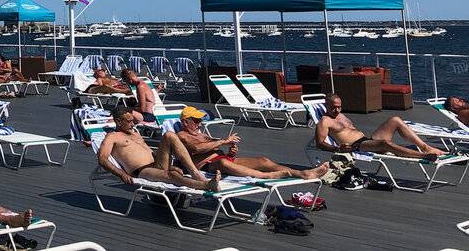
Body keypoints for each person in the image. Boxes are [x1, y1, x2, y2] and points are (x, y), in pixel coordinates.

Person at [177, 106, 327, 179]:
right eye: (196, 121)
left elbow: (212, 147)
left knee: (263, 160)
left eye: (200, 120)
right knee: (223, 164)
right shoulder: (181, 136)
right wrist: (223, 141)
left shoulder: (200, 134)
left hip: (223, 159)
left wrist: (230, 151)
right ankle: (264, 176)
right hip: (208, 166)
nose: (200, 123)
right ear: (185, 122)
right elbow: (197, 149)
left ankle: (303, 173)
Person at [97, 106, 220, 191]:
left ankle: (194, 173)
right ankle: (207, 185)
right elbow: (102, 159)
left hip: (156, 163)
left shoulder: (134, 132)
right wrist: (121, 174)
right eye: (129, 121)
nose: (133, 124)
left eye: (133, 121)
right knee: (172, 175)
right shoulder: (112, 137)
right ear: (118, 122)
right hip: (142, 170)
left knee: (169, 135)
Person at [314, 94, 446, 158]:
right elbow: (320, 143)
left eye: (339, 107)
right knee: (385, 143)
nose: (337, 110)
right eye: (334, 107)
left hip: (367, 140)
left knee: (395, 120)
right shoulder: (324, 121)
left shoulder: (341, 115)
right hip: (357, 147)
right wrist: (337, 148)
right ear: (326, 106)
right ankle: (423, 156)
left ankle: (426, 147)